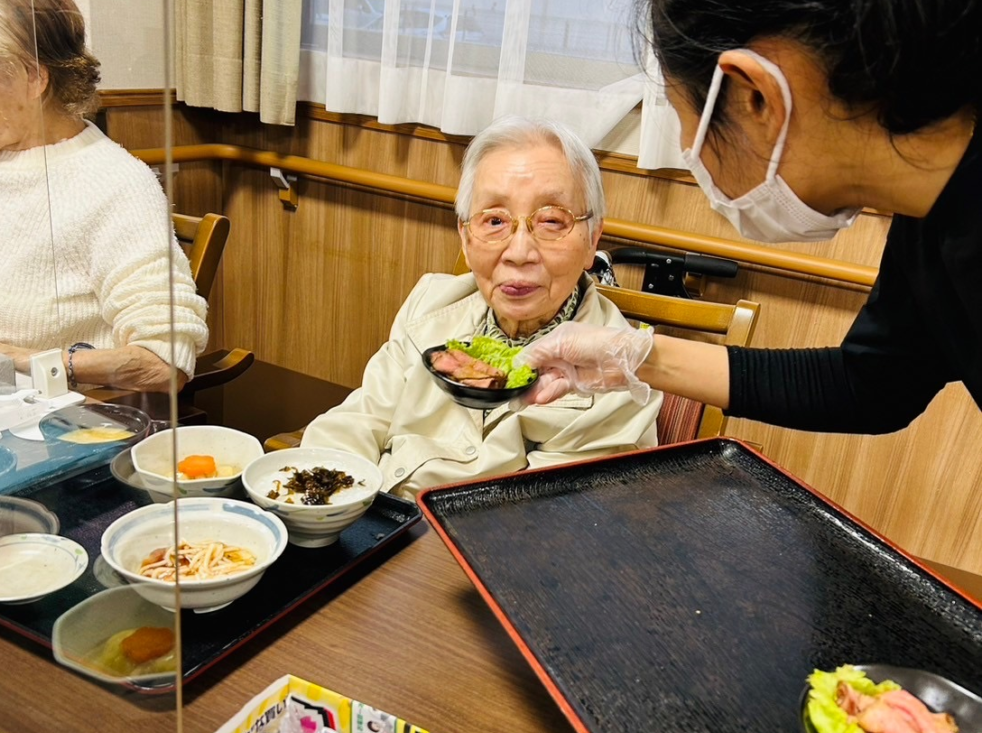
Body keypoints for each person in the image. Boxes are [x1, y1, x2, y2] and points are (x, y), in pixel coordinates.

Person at [518, 0, 981, 436]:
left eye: (684, 118)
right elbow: (874, 384)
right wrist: (634, 357)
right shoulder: (926, 220)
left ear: (754, 96)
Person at [302, 116, 662, 500]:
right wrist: (322, 505)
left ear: (592, 241)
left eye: (552, 221)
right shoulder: (431, 304)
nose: (519, 252)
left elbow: (546, 522)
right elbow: (358, 421)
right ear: (465, 237)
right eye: (494, 220)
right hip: (371, 518)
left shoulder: (618, 375)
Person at [0, 0, 208, 392]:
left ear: (33, 76)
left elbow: (164, 361)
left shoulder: (114, 185)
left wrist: (11, 356)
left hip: (62, 427)